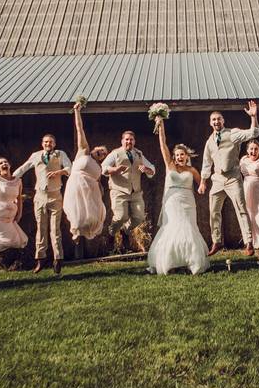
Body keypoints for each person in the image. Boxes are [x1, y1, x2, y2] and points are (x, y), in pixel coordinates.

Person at [145, 115, 211, 275]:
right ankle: (169, 262)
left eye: (182, 154)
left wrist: (202, 185)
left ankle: (190, 262)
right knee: (172, 227)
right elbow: (163, 145)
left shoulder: (192, 170)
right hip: (172, 201)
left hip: (188, 202)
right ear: (174, 156)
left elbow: (201, 183)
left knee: (188, 228)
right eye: (177, 155)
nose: (180, 157)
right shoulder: (170, 165)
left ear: (187, 156)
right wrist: (160, 126)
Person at [199, 101, 259, 256]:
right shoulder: (209, 141)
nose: (216, 122)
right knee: (213, 211)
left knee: (241, 209)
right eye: (213, 120)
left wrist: (253, 117)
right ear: (210, 123)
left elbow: (253, 133)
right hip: (217, 179)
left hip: (233, 177)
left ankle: (249, 242)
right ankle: (216, 241)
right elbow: (206, 163)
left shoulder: (233, 133)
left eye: (219, 119)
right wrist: (203, 182)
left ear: (223, 121)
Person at [14, 135, 72, 275]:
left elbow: (70, 169)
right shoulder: (36, 155)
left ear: (54, 143)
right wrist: (9, 179)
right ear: (42, 143)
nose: (48, 144)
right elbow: (23, 169)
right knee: (41, 227)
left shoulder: (60, 154)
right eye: (46, 142)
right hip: (40, 196)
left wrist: (59, 172)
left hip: (55, 196)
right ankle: (40, 259)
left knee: (55, 229)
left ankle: (58, 259)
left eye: (51, 142)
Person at [102, 130, 155, 253]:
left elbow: (152, 168)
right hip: (119, 191)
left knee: (139, 217)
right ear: (122, 141)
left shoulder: (139, 154)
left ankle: (125, 231)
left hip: (135, 191)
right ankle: (111, 234)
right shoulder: (115, 153)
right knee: (121, 217)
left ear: (134, 141)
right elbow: (104, 168)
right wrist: (115, 169)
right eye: (126, 139)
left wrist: (146, 169)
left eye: (131, 139)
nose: (129, 141)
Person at [63, 101, 109, 243]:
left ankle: (89, 231)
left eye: (103, 154)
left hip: (91, 189)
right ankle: (75, 230)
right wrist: (77, 112)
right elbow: (79, 130)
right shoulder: (84, 151)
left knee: (94, 213)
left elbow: (99, 181)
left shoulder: (98, 167)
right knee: (75, 208)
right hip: (77, 183)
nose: (101, 152)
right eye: (100, 150)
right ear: (94, 148)